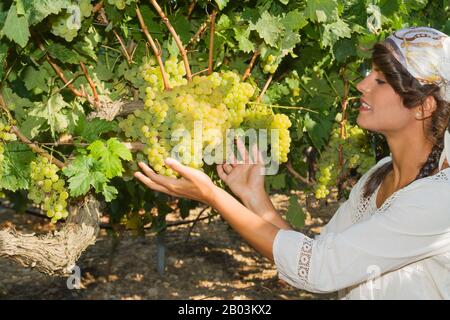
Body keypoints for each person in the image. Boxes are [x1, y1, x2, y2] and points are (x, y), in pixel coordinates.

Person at [134, 27, 450, 299]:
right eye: (369, 74)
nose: (361, 85)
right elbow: (318, 255)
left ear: (423, 106)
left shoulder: (437, 200)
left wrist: (213, 197)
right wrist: (254, 197)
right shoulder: (379, 175)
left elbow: (317, 269)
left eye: (381, 81)